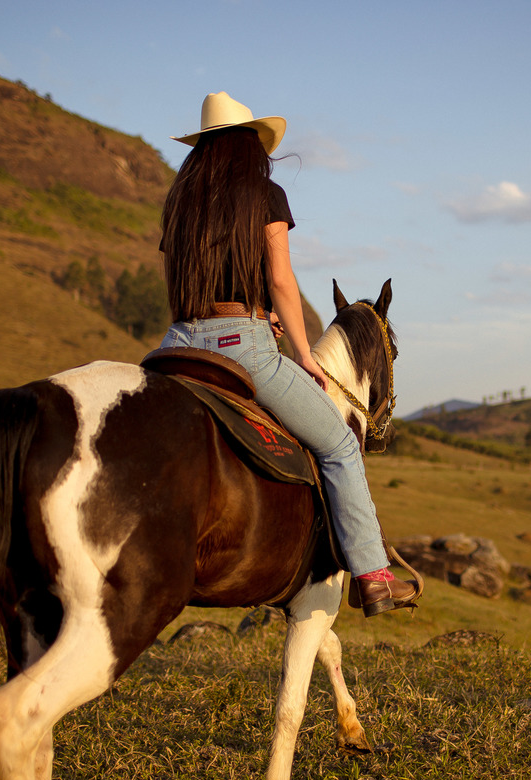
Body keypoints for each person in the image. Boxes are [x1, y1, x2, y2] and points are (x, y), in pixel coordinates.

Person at [155, 91, 418, 615]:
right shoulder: (264, 195)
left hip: (177, 342)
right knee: (342, 445)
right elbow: (280, 278)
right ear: (248, 145)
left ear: (203, 147)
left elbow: (180, 284)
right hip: (242, 346)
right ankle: (373, 576)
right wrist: (303, 354)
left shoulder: (180, 201)